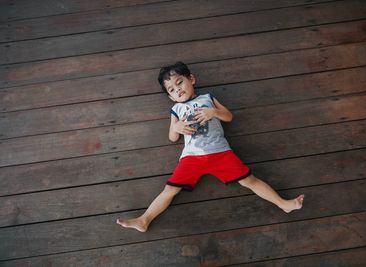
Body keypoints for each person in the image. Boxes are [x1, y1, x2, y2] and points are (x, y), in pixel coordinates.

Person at [117, 62, 304, 232]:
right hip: (191, 157)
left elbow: (229, 117)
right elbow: (172, 137)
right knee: (170, 190)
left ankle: (283, 204)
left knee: (249, 180)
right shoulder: (177, 109)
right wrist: (176, 127)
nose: (178, 90)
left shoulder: (208, 98)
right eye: (172, 89)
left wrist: (213, 112)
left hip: (220, 152)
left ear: (192, 79)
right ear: (171, 97)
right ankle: (144, 220)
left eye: (180, 82)